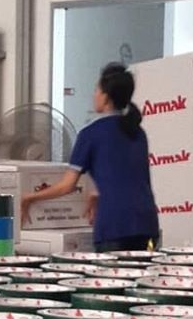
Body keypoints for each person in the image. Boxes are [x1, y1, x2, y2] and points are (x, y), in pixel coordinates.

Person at [21, 62, 160, 253]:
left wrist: (29, 197)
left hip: (114, 226)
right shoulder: (137, 132)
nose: (94, 95)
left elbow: (67, 186)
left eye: (97, 90)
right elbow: (131, 176)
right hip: (147, 224)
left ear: (106, 97)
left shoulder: (91, 133)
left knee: (113, 274)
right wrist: (98, 193)